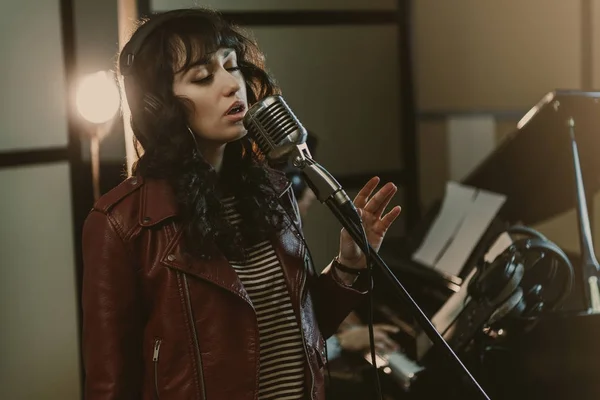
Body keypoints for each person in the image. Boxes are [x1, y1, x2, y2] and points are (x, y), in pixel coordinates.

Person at [81, 8, 401, 400]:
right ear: (157, 105)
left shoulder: (272, 188)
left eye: (231, 66)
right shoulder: (120, 223)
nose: (232, 85)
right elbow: (109, 385)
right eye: (202, 77)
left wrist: (351, 263)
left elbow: (298, 328)